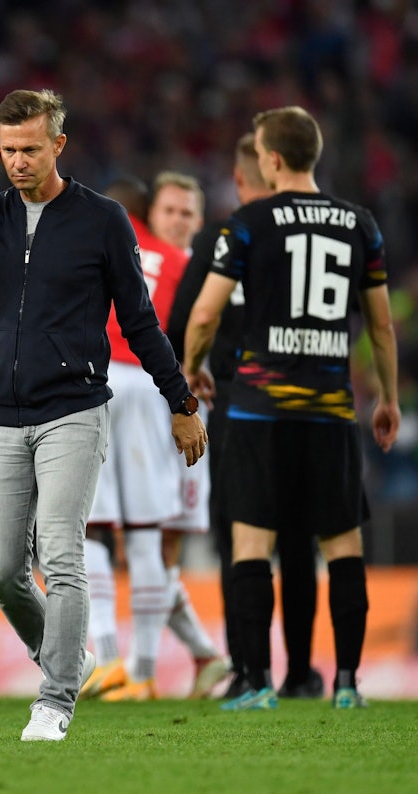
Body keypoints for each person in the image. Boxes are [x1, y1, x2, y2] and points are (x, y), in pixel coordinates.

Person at [0, 88, 207, 741]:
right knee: (0, 572)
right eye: (8, 149)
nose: (18, 162)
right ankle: (66, 655)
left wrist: (180, 401)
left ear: (57, 145)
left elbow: (138, 320)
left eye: (29, 148)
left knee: (62, 553)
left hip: (74, 412)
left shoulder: (101, 219)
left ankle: (54, 699)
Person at [183, 105, 399, 710]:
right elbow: (380, 327)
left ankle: (256, 684)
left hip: (258, 410)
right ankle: (348, 683)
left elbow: (203, 313)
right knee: (342, 546)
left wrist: (194, 366)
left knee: (252, 544)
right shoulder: (361, 223)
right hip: (331, 412)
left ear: (271, 159)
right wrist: (388, 397)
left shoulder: (250, 221)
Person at [166, 134, 323, 700]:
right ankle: (302, 673)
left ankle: (247, 670)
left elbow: (184, 320)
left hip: (236, 405)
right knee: (301, 540)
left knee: (241, 540)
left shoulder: (220, 237)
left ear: (238, 178)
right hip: (309, 405)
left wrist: (193, 368)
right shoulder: (313, 233)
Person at [80, 176, 188, 703]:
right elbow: (192, 327)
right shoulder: (176, 258)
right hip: (152, 382)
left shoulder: (92, 238)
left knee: (92, 529)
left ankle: (109, 659)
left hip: (100, 382)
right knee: (145, 533)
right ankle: (145, 673)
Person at [147, 171, 232, 698]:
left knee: (163, 542)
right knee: (134, 542)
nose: (178, 220)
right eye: (169, 211)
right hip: (133, 412)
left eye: (187, 213)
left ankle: (140, 668)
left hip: (185, 419)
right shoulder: (136, 268)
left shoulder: (209, 278)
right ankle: (201, 655)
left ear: (200, 223)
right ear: (152, 217)